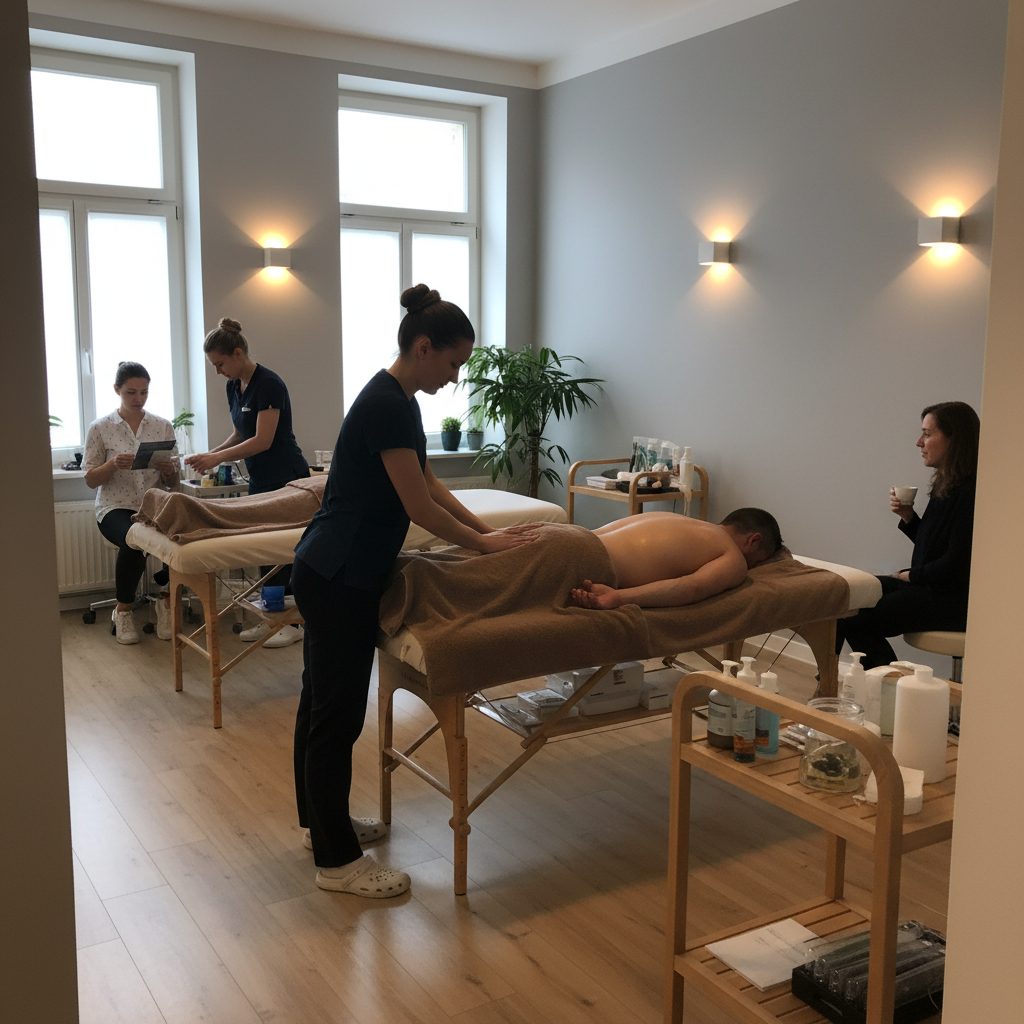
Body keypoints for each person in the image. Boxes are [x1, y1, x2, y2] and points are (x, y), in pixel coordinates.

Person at [291, 284, 538, 899]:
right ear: (423, 347)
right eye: (454, 363)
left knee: (322, 707)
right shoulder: (386, 404)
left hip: (335, 569)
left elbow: (430, 483)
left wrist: (486, 534)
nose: (456, 378)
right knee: (335, 716)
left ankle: (322, 826)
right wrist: (482, 547)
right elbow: (418, 507)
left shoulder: (399, 401)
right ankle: (337, 862)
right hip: (338, 575)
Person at [186, 317, 310, 648]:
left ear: (238, 353)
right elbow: (241, 433)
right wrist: (211, 454)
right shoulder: (234, 386)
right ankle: (271, 618)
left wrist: (217, 459)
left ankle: (292, 624)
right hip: (260, 478)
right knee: (264, 550)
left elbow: (262, 440)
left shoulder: (269, 384)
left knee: (284, 550)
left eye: (220, 364)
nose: (218, 371)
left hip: (286, 475)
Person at [835, 401, 979, 668]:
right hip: (929, 585)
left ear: (954, 439)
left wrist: (911, 575)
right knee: (849, 596)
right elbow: (935, 546)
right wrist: (909, 517)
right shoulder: (947, 484)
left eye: (927, 434)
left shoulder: (971, 492)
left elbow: (957, 562)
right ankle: (835, 677)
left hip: (951, 599)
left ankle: (885, 683)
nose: (918, 442)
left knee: (854, 617)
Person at [83, 362, 178, 644]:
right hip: (114, 507)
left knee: (182, 535)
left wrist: (169, 470)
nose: (138, 399)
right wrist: (112, 464)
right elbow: (90, 480)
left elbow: (172, 483)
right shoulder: (100, 428)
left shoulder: (162, 426)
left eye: (144, 392)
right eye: (131, 392)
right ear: (117, 390)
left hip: (153, 505)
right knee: (135, 538)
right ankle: (123, 610)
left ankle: (166, 601)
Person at [569, 507, 783, 609]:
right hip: (589, 562)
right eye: (756, 561)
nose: (751, 567)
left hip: (571, 535)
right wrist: (618, 597)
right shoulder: (734, 558)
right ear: (753, 541)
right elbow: (691, 588)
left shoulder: (677, 519)